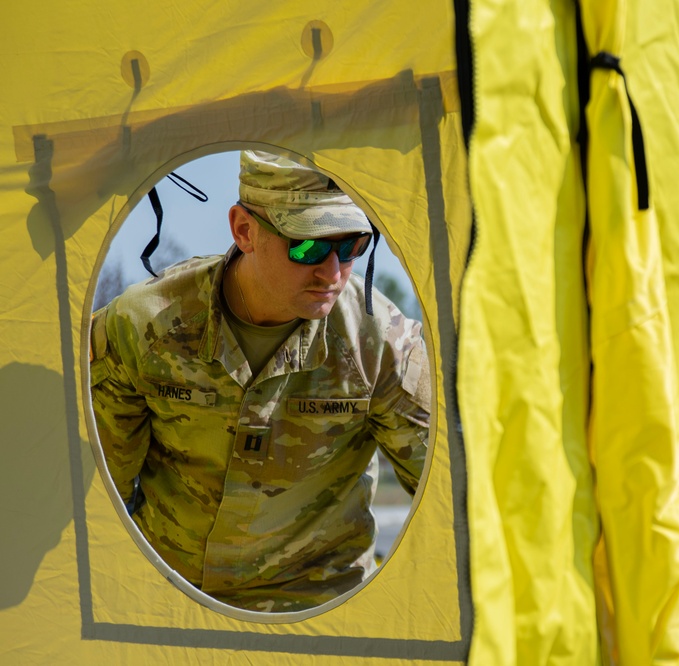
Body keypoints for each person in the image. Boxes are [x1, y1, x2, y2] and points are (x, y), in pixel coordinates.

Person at [89, 150, 431, 613]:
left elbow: (453, 500)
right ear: (244, 230)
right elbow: (91, 497)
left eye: (352, 246)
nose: (332, 272)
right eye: (307, 247)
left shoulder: (384, 347)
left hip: (322, 618)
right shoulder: (142, 329)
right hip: (171, 609)